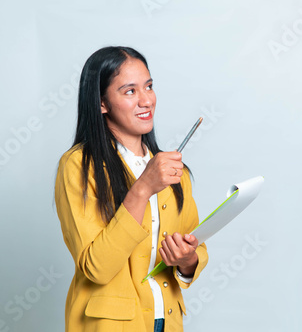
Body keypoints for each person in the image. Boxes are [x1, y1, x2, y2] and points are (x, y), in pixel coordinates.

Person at [54, 46, 208, 332]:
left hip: (166, 320)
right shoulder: (78, 165)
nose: (146, 100)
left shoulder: (174, 171)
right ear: (102, 103)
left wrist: (188, 260)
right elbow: (96, 267)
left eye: (148, 87)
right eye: (129, 91)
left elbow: (195, 244)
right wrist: (142, 189)